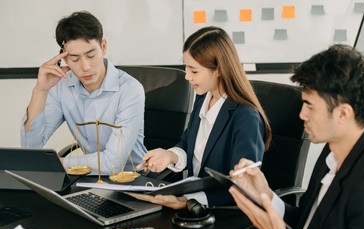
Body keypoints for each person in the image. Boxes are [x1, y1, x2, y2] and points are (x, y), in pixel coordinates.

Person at [229, 44, 364, 229]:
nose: (301, 114)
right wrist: (265, 194)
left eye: (310, 106)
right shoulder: (333, 150)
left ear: (343, 113)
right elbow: (310, 223)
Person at [131, 26, 272, 208]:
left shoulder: (246, 117)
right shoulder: (203, 97)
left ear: (219, 70)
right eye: (186, 68)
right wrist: (169, 155)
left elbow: (243, 186)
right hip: (188, 202)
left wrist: (187, 202)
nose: (187, 76)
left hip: (219, 211)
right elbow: (187, 142)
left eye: (194, 71)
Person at [20, 11, 146, 175]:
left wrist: (57, 163)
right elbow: (30, 149)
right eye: (74, 59)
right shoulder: (62, 86)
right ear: (64, 58)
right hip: (89, 178)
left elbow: (112, 163)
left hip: (131, 180)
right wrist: (40, 90)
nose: (85, 66)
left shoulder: (130, 90)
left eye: (91, 55)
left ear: (103, 47)